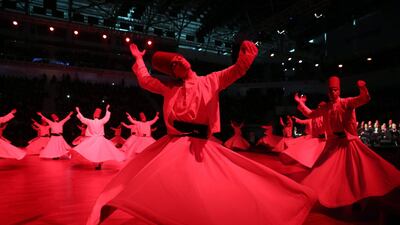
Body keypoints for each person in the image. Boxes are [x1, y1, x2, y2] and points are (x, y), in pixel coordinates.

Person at [86, 41, 316, 225]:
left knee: (212, 190)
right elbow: (146, 81)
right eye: (175, 63)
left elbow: (234, 72)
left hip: (201, 146)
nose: (180, 61)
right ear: (174, 72)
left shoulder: (211, 81)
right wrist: (138, 58)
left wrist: (245, 60)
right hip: (174, 146)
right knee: (147, 182)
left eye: (180, 58)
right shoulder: (171, 89)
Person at [294, 76, 400, 208]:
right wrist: (301, 103)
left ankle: (356, 198)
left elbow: (364, 99)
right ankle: (327, 195)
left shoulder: (347, 103)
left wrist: (362, 88)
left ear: (339, 91)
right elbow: (311, 114)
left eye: (335, 90)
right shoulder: (326, 107)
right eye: (331, 90)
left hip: (348, 143)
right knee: (321, 170)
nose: (333, 93)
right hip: (333, 144)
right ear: (328, 93)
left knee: (354, 173)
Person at [73, 105, 126, 170]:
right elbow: (106, 118)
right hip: (100, 139)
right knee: (101, 152)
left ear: (93, 116)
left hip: (93, 139)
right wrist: (107, 110)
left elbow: (82, 119)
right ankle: (99, 164)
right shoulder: (101, 121)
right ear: (99, 116)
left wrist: (78, 111)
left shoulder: (90, 121)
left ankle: (97, 164)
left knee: (95, 152)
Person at [280, 101, 326, 168]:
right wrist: (297, 119)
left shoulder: (326, 116)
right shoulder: (313, 119)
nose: (319, 108)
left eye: (321, 107)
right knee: (308, 150)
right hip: (314, 138)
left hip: (324, 139)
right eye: (318, 106)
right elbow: (304, 119)